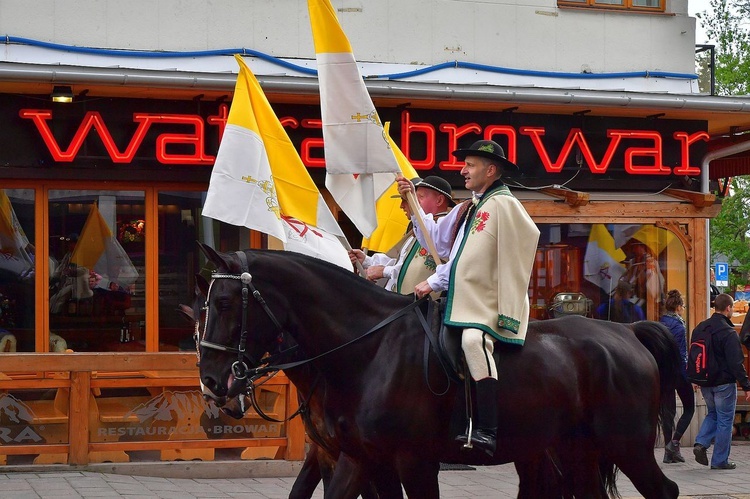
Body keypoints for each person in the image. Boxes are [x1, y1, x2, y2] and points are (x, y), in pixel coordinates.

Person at [397, 139, 540, 455]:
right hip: (465, 298)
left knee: (473, 341)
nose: (462, 170)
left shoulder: (503, 204)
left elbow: (471, 259)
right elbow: (438, 241)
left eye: (470, 165)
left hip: (489, 301)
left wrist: (433, 281)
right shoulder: (469, 206)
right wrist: (412, 199)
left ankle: (488, 429)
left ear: (490, 170)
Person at [349, 176, 454, 293]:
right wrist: (367, 261)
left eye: (418, 197)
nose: (405, 205)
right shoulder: (416, 229)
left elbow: (416, 269)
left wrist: (384, 271)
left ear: (439, 201)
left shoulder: (445, 231)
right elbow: (398, 260)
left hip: (420, 307)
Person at [692, 293, 750, 470]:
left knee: (713, 414)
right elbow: (736, 363)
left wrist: (694, 378)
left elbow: (695, 353)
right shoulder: (728, 332)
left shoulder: (700, 328)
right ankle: (719, 461)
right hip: (724, 383)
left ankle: (701, 443)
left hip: (705, 381)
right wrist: (746, 385)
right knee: (725, 420)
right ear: (728, 308)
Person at [659, 289, 695, 463]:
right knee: (689, 407)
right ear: (679, 307)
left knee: (668, 412)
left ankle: (669, 451)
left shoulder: (661, 323)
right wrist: (688, 373)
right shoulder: (679, 325)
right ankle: (674, 443)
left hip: (663, 372)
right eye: (683, 306)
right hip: (679, 372)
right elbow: (681, 353)